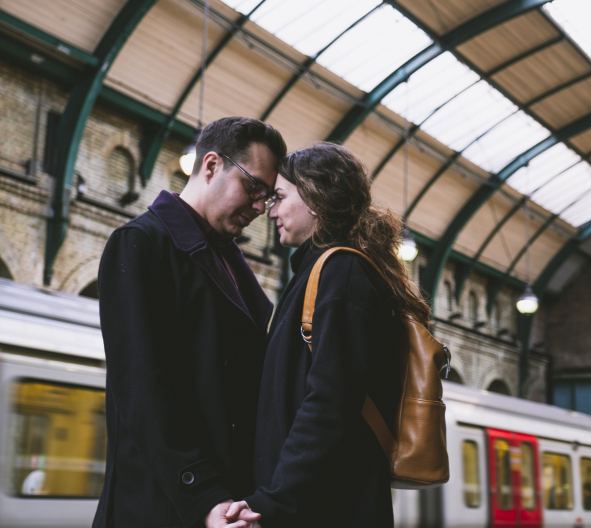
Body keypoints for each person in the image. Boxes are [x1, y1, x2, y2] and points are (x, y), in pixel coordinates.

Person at [93, 116, 286, 528]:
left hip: (223, 506)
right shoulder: (141, 244)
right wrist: (202, 496)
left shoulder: (230, 260)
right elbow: (143, 387)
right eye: (254, 187)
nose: (259, 207)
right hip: (164, 507)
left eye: (268, 197)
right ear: (212, 165)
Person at [233, 142, 430, 527]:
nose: (270, 210)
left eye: (280, 197)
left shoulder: (342, 274)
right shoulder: (321, 273)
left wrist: (273, 501)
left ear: (315, 198)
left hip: (325, 508)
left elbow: (330, 402)